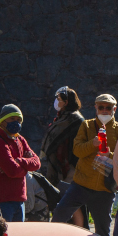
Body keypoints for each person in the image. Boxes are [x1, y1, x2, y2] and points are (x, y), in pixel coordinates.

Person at [50, 94, 118, 236]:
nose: (104, 110)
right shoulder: (87, 125)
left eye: (108, 108)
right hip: (81, 185)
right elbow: (76, 150)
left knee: (103, 232)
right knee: (59, 216)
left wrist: (110, 155)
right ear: (96, 108)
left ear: (114, 109)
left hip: (104, 190)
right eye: (101, 107)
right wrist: (92, 144)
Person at [0, 105, 41, 222]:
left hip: (19, 200)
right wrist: (25, 168)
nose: (16, 122)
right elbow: (13, 171)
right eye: (12, 119)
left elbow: (37, 163)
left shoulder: (20, 140)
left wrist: (20, 161)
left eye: (18, 120)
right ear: (3, 121)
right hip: (0, 202)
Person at [39, 86, 86, 226]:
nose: (56, 102)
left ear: (66, 102)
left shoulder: (75, 119)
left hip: (70, 168)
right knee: (59, 201)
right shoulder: (61, 118)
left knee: (72, 203)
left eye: (58, 99)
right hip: (57, 167)